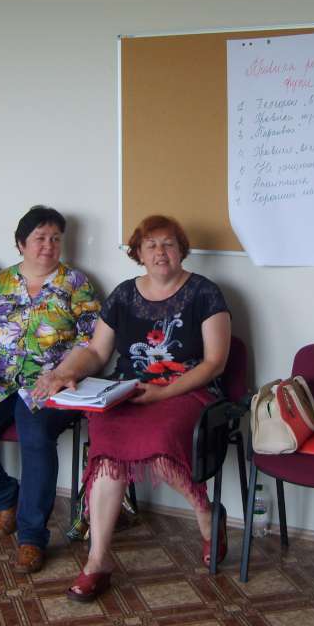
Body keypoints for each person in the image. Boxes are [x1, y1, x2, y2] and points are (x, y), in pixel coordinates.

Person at [34, 214, 231, 602]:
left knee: (160, 439)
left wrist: (162, 393)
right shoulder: (124, 294)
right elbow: (96, 351)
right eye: (150, 245)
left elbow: (214, 363)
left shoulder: (205, 292)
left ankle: (206, 512)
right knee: (107, 450)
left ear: (181, 250)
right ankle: (97, 561)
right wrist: (64, 372)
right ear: (138, 253)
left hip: (187, 391)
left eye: (168, 244)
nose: (160, 252)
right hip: (127, 392)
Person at [0, 205, 100, 573]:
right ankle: (6, 497)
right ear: (21, 244)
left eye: (55, 239)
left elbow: (93, 342)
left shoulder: (76, 283)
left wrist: (64, 372)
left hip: (49, 380)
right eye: (39, 238)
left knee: (35, 438)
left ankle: (32, 537)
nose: (48, 245)